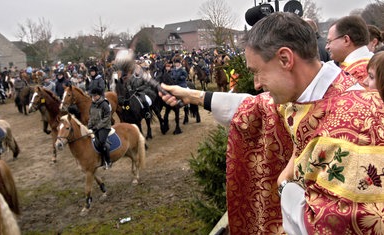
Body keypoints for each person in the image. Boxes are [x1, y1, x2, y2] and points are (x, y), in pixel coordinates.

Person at [159, 12, 384, 234]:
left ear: (285, 59)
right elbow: (253, 106)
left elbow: (326, 227)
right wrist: (191, 96)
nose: (256, 84)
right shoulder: (306, 94)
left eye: (257, 72)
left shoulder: (356, 124)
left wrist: (285, 185)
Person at [325, 15, 373, 84]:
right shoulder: (373, 63)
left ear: (346, 40)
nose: (326, 47)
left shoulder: (358, 73)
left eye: (329, 41)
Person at [87, 87, 112, 169]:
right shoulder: (92, 104)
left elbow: (107, 117)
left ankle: (108, 161)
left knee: (101, 142)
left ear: (99, 95)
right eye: (92, 96)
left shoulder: (104, 104)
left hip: (104, 127)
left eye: (95, 96)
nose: (93, 97)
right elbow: (91, 116)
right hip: (95, 126)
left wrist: (98, 126)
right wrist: (89, 124)